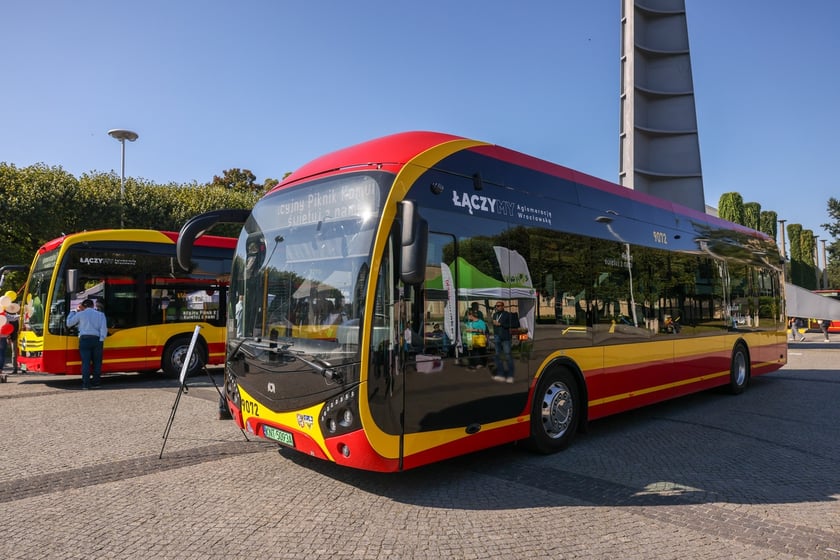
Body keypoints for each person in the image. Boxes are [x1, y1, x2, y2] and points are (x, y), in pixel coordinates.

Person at [66, 298, 108, 390]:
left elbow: (69, 323)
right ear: (93, 305)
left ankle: (86, 384)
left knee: (85, 363)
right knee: (97, 363)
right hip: (97, 340)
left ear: (83, 306)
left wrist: (73, 311)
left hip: (84, 340)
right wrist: (101, 339)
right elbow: (103, 329)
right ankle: (96, 383)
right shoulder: (100, 315)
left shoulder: (80, 314)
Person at [491, 301, 514, 383]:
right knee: (498, 355)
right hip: (497, 336)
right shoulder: (495, 315)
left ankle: (510, 375)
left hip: (505, 337)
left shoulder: (507, 314)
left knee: (508, 355)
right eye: (496, 306)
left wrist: (500, 324)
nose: (497, 307)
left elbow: (510, 325)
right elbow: (494, 324)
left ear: (503, 306)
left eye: (499, 306)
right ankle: (500, 374)